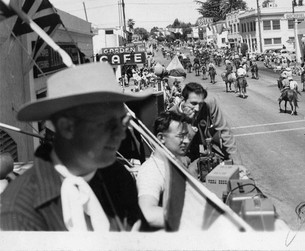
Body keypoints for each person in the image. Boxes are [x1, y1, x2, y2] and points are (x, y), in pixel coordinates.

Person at [0, 63, 150, 231]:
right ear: (67, 127)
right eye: (108, 124)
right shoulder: (19, 210)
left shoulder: (118, 177)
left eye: (123, 122)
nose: (121, 135)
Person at [136, 111, 192, 229]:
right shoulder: (151, 171)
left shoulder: (176, 162)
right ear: (161, 138)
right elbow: (147, 213)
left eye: (187, 135)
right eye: (181, 136)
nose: (187, 141)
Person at [170, 82, 242, 167]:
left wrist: (238, 165)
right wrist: (189, 122)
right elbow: (178, 147)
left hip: (210, 148)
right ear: (183, 99)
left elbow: (225, 133)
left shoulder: (209, 104)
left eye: (200, 104)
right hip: (187, 152)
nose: (197, 108)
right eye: (193, 103)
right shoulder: (172, 115)